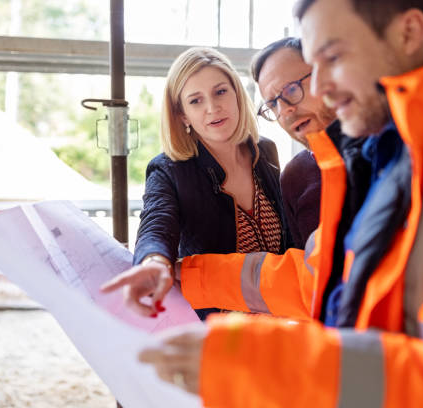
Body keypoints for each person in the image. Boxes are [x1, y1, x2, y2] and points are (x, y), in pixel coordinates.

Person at [131, 0, 423, 406]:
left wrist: (259, 360)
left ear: (409, 33)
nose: (319, 89)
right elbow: (323, 280)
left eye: (333, 57)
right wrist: (190, 275)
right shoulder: (385, 153)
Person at [108, 47, 290, 320]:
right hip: (215, 327)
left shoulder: (265, 151)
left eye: (220, 92)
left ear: (237, 94)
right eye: (195, 101)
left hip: (283, 318)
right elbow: (156, 224)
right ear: (182, 115)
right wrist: (154, 261)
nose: (212, 107)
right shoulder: (168, 169)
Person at [252, 37, 369, 249]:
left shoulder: (385, 147)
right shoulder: (293, 177)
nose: (284, 110)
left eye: (291, 89)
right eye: (273, 104)